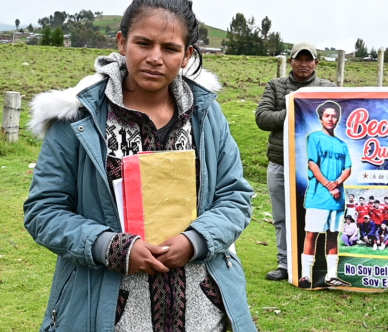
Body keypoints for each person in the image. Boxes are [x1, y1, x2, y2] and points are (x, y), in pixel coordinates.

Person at [23, 1, 256, 330]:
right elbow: (44, 211)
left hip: (202, 316)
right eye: (143, 43)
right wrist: (112, 248)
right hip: (108, 314)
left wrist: (196, 241)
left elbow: (234, 197)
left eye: (170, 48)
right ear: (122, 42)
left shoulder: (207, 116)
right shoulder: (78, 121)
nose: (155, 58)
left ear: (187, 55)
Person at [256, 41, 336, 281]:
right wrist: (294, 108)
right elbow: (262, 118)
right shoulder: (276, 86)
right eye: (299, 59)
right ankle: (285, 264)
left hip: (317, 167)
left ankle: (318, 263)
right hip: (281, 163)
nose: (304, 64)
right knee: (281, 216)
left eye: (308, 59)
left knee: (318, 215)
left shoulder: (327, 88)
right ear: (290, 61)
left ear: (316, 63)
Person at [300, 101, 352, 288]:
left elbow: (348, 168)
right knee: (312, 234)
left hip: (337, 199)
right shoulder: (314, 138)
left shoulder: (342, 144)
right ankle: (305, 276)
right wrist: (329, 185)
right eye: (327, 115)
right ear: (321, 117)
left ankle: (331, 276)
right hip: (318, 196)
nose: (331, 119)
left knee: (332, 236)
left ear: (338, 118)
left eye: (334, 115)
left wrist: (337, 183)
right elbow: (312, 163)